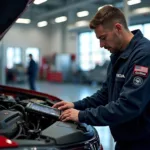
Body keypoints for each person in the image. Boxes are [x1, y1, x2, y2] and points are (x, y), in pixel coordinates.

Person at [53, 5, 150, 150]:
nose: (101, 45)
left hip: (143, 143)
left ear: (118, 28)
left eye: (103, 38)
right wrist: (75, 105)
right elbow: (105, 94)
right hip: (126, 141)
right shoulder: (119, 55)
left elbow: (128, 105)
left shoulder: (143, 55)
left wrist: (82, 116)